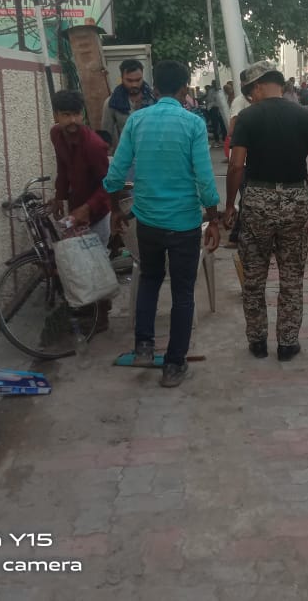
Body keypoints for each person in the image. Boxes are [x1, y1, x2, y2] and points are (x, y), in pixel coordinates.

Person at [103, 60, 221, 388]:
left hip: (148, 222)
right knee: (183, 292)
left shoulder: (136, 121)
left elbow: (116, 173)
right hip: (184, 223)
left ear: (154, 89)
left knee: (150, 280)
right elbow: (205, 179)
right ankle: (173, 364)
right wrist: (213, 219)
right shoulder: (193, 123)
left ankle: (143, 346)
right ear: (184, 89)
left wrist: (115, 209)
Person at [225, 60, 308, 361]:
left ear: (257, 87)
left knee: (254, 277)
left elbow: (236, 165)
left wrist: (229, 205)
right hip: (295, 199)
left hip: (258, 200)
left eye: (249, 92)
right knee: (291, 275)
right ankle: (287, 343)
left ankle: (257, 341)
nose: (250, 98)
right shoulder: (306, 115)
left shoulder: (247, 117)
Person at [49, 88, 113, 251]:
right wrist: (59, 196)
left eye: (76, 114)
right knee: (78, 261)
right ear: (56, 116)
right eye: (66, 115)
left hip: (98, 214)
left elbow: (109, 183)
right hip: (75, 210)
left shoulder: (94, 145)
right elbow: (62, 166)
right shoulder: (56, 134)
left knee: (97, 263)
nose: (73, 120)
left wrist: (86, 208)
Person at [99, 59, 155, 151]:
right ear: (121, 78)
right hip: (126, 153)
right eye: (129, 80)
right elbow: (106, 135)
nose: (134, 84)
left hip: (152, 151)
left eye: (138, 80)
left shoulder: (154, 98)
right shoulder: (112, 103)